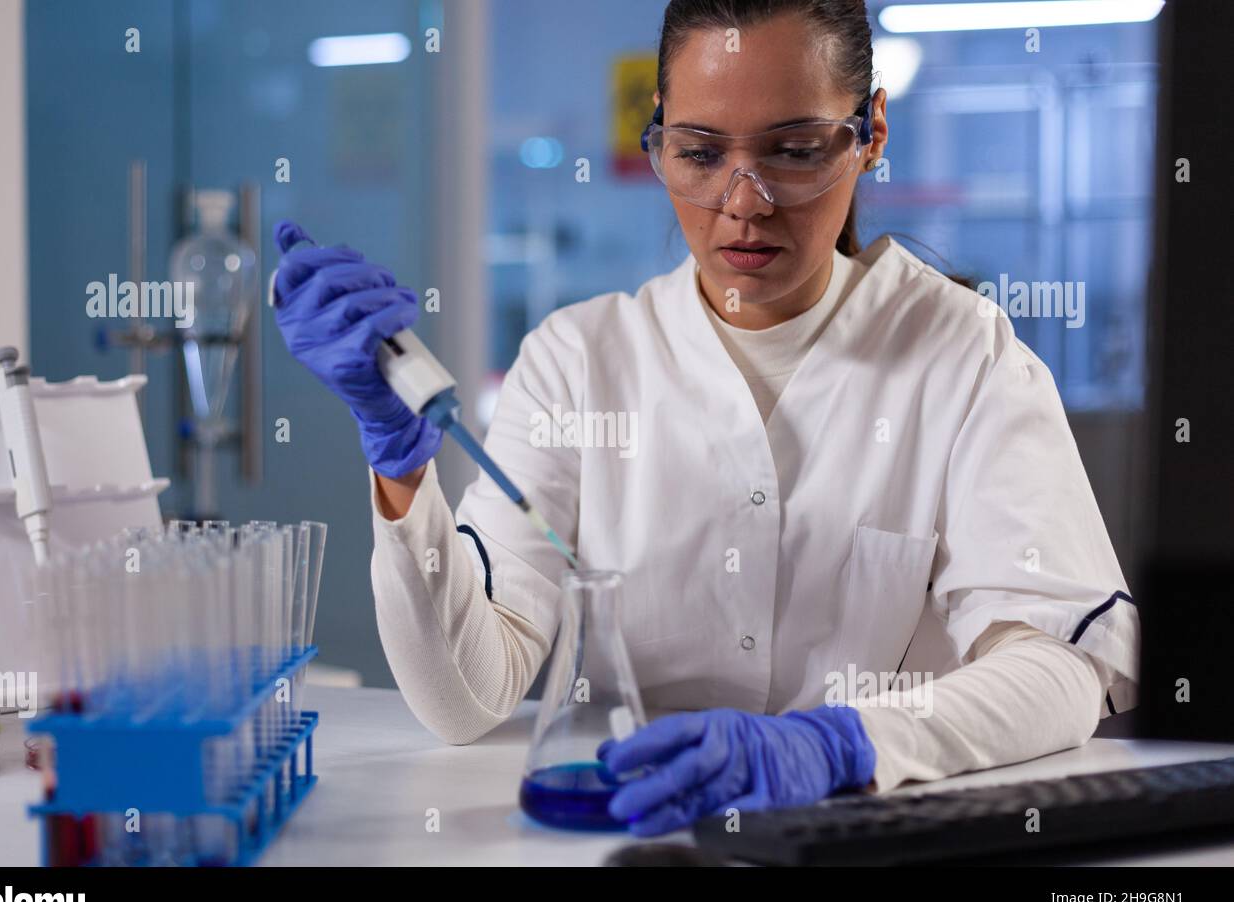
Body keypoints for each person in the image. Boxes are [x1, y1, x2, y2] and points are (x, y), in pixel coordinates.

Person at [271, 0, 1138, 837]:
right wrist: (400, 469)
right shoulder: (578, 361)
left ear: (870, 133)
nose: (745, 199)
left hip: (864, 840)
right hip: (627, 840)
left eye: (793, 150)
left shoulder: (964, 357)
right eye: (700, 152)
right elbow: (464, 698)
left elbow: (1065, 667)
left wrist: (845, 745)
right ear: (659, 137)